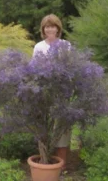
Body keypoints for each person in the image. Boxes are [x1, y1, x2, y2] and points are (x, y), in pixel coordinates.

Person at [32, 14, 71, 170]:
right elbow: (33, 69)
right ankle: (46, 163)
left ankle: (60, 167)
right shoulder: (39, 47)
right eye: (47, 26)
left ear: (58, 28)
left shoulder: (66, 45)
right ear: (43, 29)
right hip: (43, 91)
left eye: (53, 26)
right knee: (45, 126)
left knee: (62, 127)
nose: (50, 29)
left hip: (61, 91)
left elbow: (71, 67)